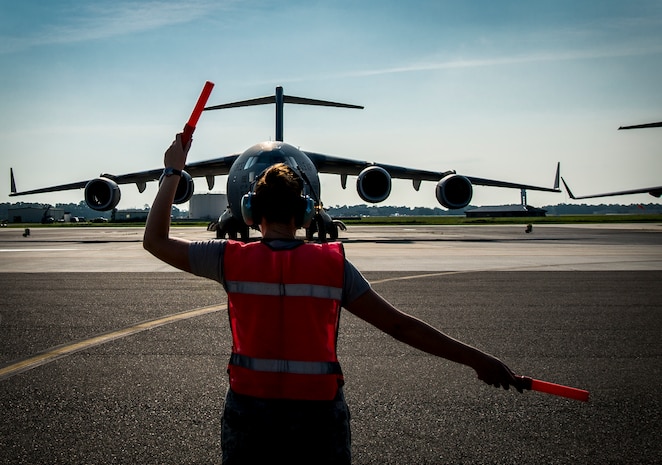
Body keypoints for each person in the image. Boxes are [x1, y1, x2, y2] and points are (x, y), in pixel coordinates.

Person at [144, 134, 523, 464]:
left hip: (250, 414)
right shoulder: (332, 266)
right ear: (308, 212)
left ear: (250, 211)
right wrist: (478, 359)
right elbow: (400, 326)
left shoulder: (229, 259)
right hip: (318, 417)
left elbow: (155, 240)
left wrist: (173, 171)